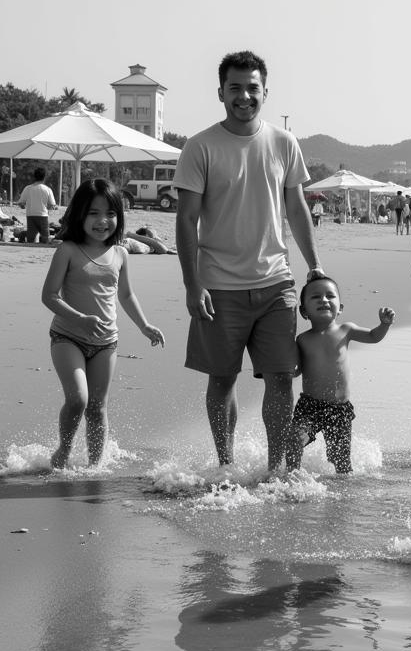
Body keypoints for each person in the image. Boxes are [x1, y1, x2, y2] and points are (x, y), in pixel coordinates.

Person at [173, 50, 325, 470]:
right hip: (218, 286)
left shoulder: (283, 142)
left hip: (277, 282)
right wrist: (192, 284)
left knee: (281, 378)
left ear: (265, 92)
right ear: (220, 92)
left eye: (252, 88)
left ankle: (278, 469)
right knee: (222, 378)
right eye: (235, 88)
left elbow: (297, 209)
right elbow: (186, 221)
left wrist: (314, 265)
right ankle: (226, 464)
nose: (244, 96)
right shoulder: (200, 146)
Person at [41, 178, 164, 468]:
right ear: (79, 214)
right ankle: (64, 450)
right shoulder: (68, 250)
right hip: (67, 337)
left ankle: (95, 466)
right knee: (78, 400)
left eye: (110, 213)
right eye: (93, 213)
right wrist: (79, 318)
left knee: (97, 407)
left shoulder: (120, 253)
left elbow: (127, 294)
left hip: (106, 342)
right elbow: (49, 296)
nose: (102, 221)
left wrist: (144, 325)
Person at [289, 276, 395, 473]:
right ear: (304, 311)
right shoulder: (302, 340)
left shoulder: (347, 330)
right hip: (310, 405)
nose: (324, 300)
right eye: (316, 297)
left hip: (339, 408)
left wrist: (384, 325)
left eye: (330, 296)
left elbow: (373, 336)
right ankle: (292, 477)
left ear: (341, 307)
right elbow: (296, 371)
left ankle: (343, 495)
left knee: (341, 461)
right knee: (295, 441)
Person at [19, 167, 58, 243]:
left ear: (34, 177)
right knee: (45, 238)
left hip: (30, 215)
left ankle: (23, 237)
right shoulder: (47, 189)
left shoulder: (27, 188)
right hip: (42, 216)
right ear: (44, 177)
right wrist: (51, 208)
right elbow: (52, 205)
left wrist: (23, 206)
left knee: (30, 238)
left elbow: (21, 204)